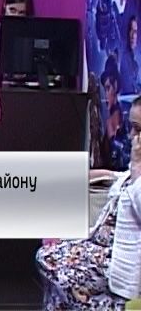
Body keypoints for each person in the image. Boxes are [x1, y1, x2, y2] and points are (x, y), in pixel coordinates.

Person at [36, 96, 141, 310]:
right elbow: (120, 178)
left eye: (138, 129)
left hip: (116, 258)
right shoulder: (134, 170)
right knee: (55, 288)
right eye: (131, 127)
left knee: (48, 258)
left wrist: (138, 168)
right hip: (98, 244)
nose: (131, 136)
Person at [120, 16, 140, 95]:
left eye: (135, 32)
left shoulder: (137, 57)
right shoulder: (124, 59)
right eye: (130, 30)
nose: (132, 36)